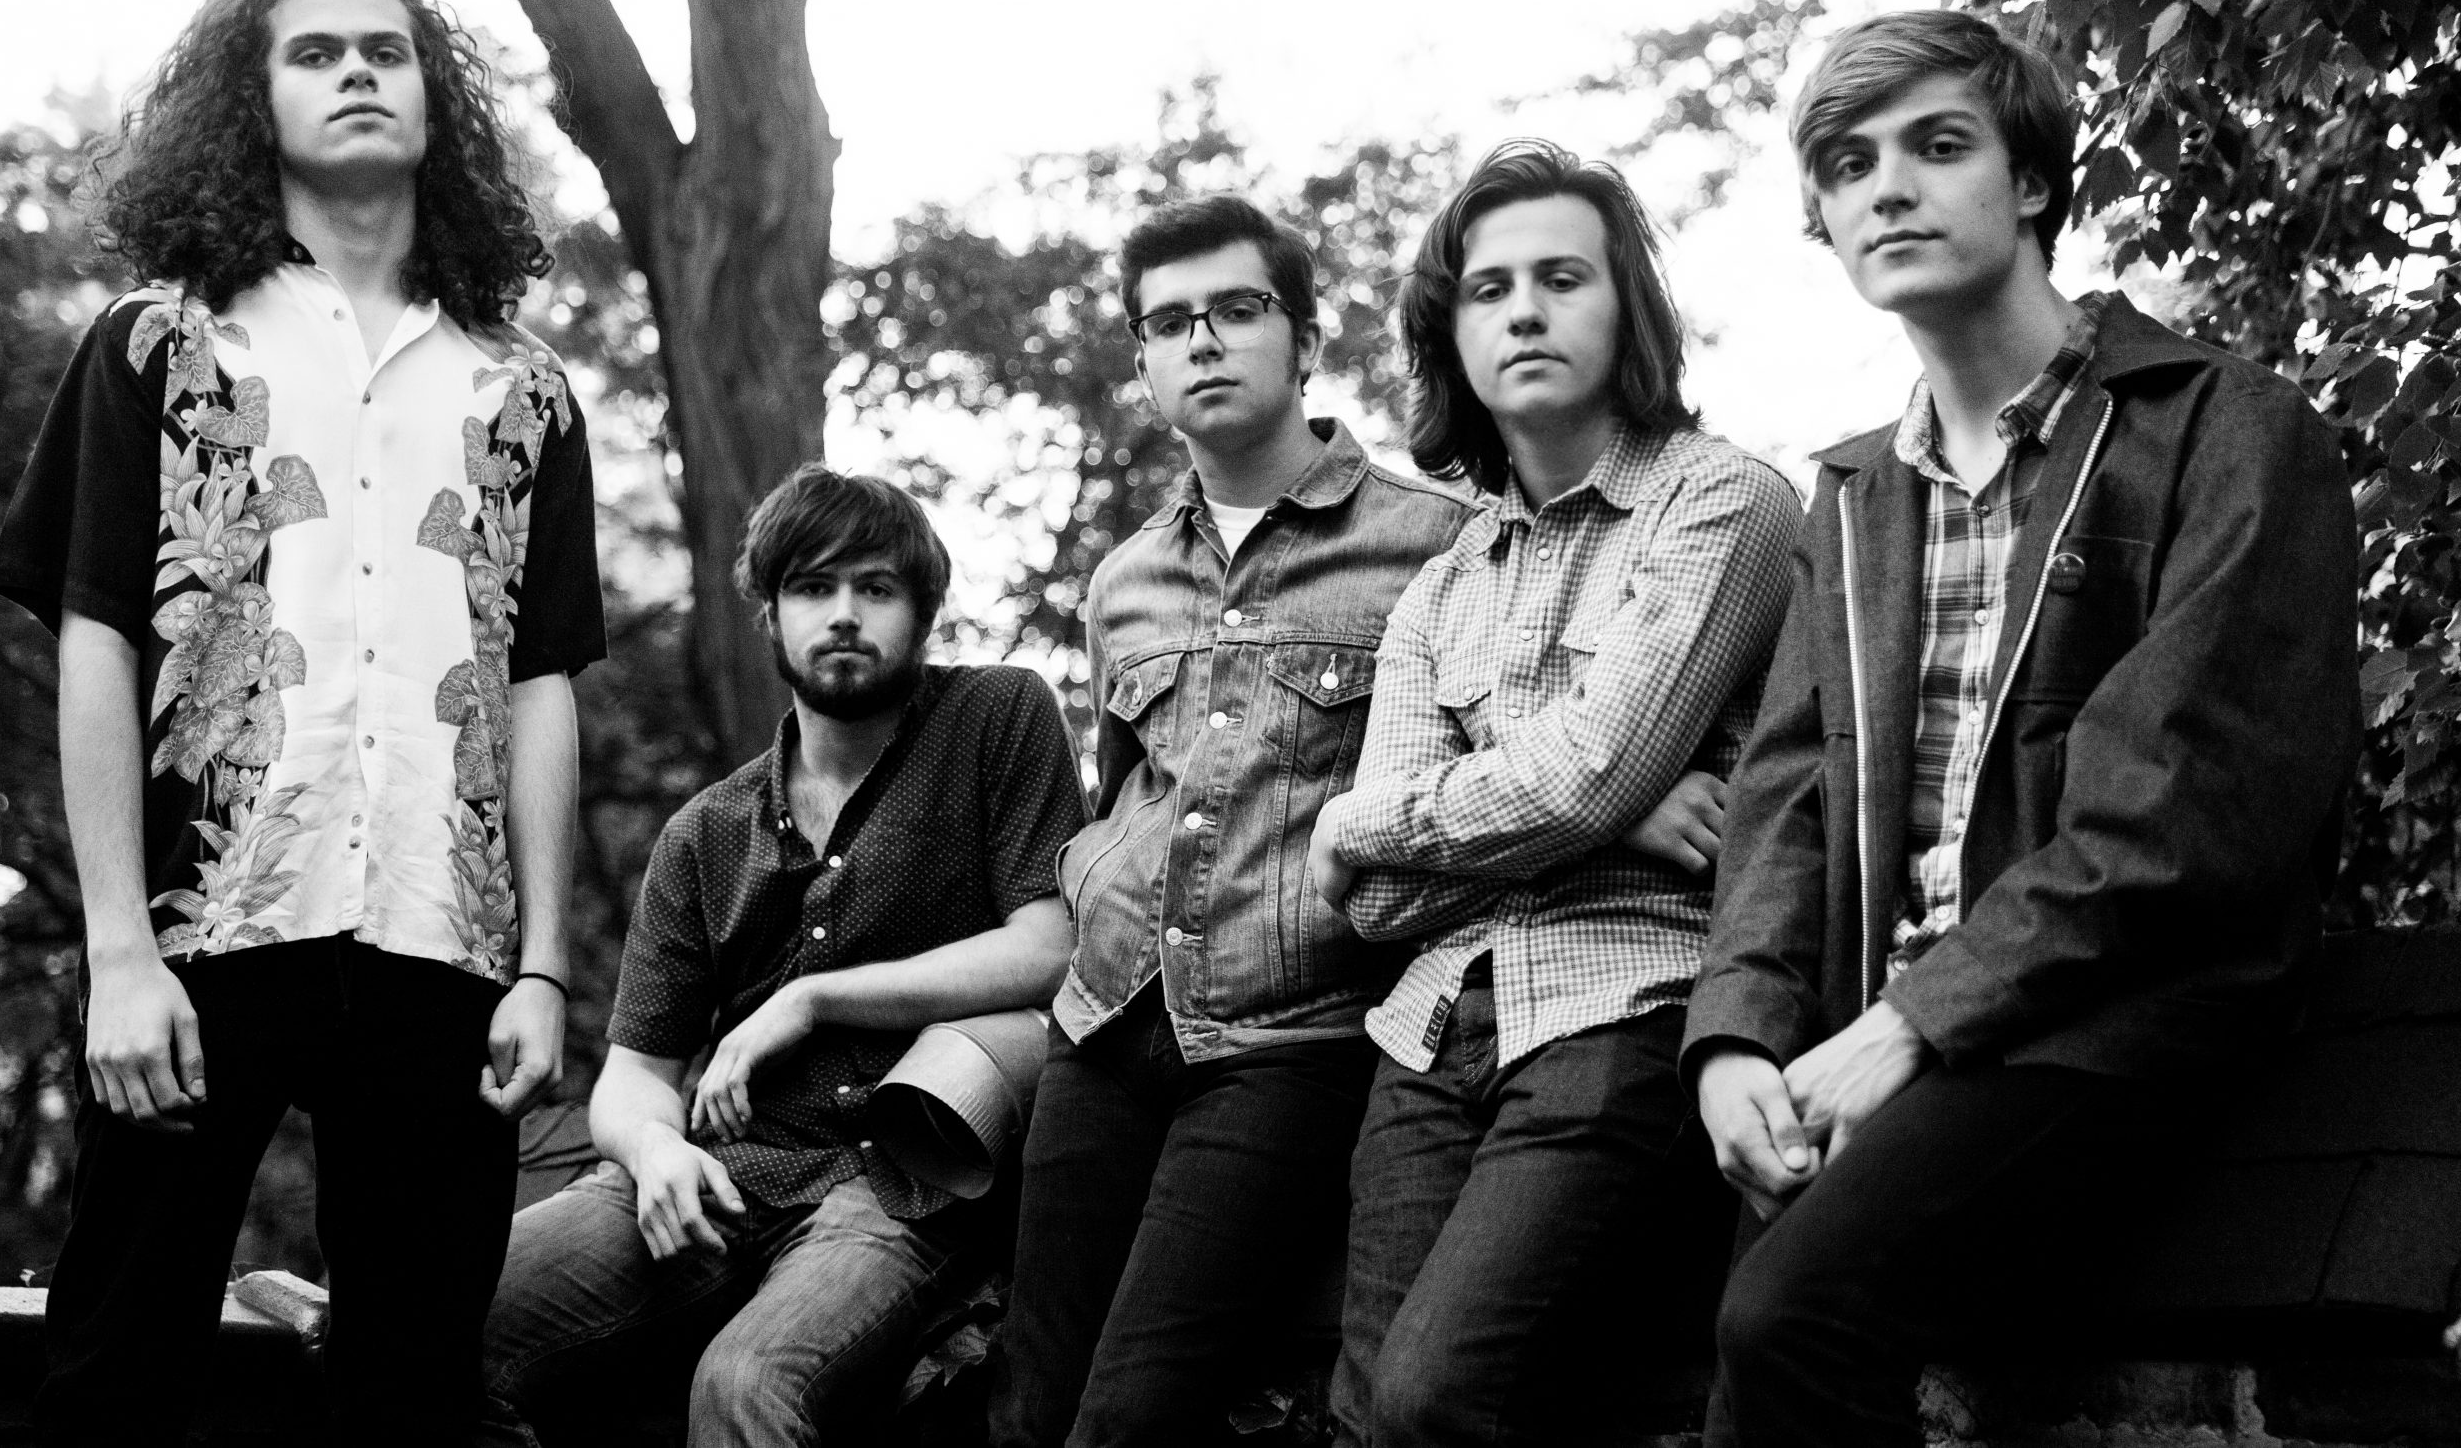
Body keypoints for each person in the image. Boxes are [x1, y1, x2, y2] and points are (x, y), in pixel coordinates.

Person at [1683, 9, 2360, 1447]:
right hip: (1895, 1038)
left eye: (1938, 146)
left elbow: (2181, 819)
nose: (1888, 188)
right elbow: (1784, 804)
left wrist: (1915, 1023)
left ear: (2034, 181)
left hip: (2116, 1020)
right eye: (1848, 165)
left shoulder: (2228, 428)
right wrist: (1734, 1036)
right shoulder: (1854, 497)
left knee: (1790, 1319)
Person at [0, 0, 602, 1445]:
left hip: (443, 945)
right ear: (253, 97)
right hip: (204, 935)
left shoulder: (525, 389)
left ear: (433, 95)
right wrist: (119, 953)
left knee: (416, 1393)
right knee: (113, 1372)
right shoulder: (157, 343)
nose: (354, 75)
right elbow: (96, 643)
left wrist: (540, 965)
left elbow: (540, 681)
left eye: (385, 51)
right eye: (314, 53)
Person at [1307, 140, 1798, 1447]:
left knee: (1433, 1403)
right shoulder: (1439, 588)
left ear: (1626, 309)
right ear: (1451, 335)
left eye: (1562, 278)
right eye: (1490, 288)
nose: (1524, 310)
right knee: (1359, 1421)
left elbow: (1577, 777)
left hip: (1626, 1005)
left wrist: (1362, 817)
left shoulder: (1721, 504)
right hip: (1427, 1029)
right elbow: (1374, 906)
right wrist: (1616, 802)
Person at [980, 195, 1476, 1447]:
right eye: (1167, 323)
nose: (1201, 340)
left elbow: (1503, 760)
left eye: (1236, 309)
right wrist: (1090, 878)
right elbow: (1126, 791)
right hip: (1104, 1020)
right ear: (1144, 363)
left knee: (1130, 1416)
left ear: (1303, 340)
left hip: (1290, 1037)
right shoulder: (1126, 579)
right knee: (1026, 1406)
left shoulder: (1438, 544)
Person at [481, 464, 1087, 1447]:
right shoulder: (704, 833)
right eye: (813, 587)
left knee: (745, 1382)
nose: (844, 613)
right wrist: (656, 1149)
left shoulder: (996, 717)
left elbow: (1051, 945)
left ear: (923, 614)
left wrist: (811, 999)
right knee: (434, 1319)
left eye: (876, 588)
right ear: (769, 615)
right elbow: (633, 1077)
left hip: (901, 1189)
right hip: (725, 1173)